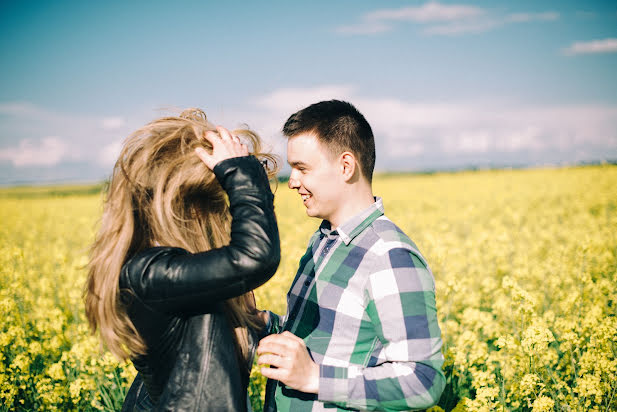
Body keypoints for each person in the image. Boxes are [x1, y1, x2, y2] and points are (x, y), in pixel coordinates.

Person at [84, 108, 280, 411]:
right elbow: (256, 256)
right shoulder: (148, 274)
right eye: (223, 206)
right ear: (196, 212)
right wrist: (243, 172)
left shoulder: (168, 273)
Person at [257, 100, 445, 411]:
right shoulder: (323, 241)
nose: (292, 182)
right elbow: (325, 342)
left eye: (302, 168)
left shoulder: (389, 256)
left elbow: (424, 381)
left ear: (346, 166)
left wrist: (316, 378)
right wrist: (265, 325)